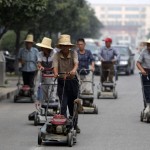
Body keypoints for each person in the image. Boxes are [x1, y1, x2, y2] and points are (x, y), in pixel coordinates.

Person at [53, 34, 80, 133]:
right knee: (63, 104)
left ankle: (75, 125)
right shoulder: (56, 55)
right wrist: (56, 73)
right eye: (63, 45)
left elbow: (76, 64)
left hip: (73, 82)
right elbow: (55, 65)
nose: (65, 47)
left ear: (69, 46)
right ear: (60, 46)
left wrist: (73, 70)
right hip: (62, 82)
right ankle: (63, 125)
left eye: (66, 45)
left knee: (73, 105)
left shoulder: (74, 53)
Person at [35, 37, 56, 105]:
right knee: (43, 87)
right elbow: (39, 63)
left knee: (52, 88)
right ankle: (44, 102)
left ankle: (52, 102)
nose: (43, 49)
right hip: (43, 74)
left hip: (52, 74)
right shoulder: (40, 54)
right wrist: (40, 67)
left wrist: (53, 68)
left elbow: (55, 63)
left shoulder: (54, 53)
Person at [136, 39, 150, 114]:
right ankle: (148, 105)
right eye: (148, 45)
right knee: (147, 88)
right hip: (146, 73)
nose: (149, 47)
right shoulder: (144, 52)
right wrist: (142, 70)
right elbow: (138, 63)